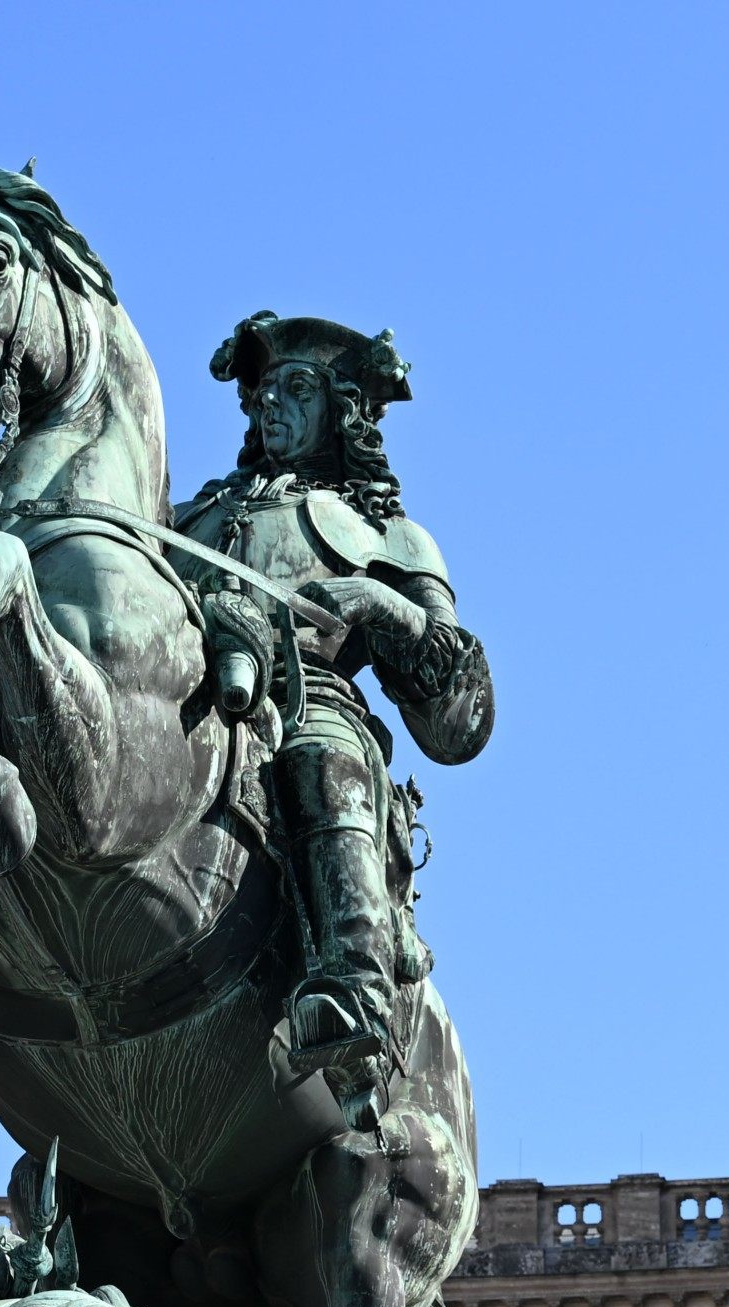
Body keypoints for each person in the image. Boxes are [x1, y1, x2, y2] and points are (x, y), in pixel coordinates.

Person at [176, 316, 492, 1121]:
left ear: (344, 411)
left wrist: (380, 603)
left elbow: (460, 724)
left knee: (324, 759)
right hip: (177, 691)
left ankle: (356, 991)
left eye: (296, 389)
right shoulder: (185, 516)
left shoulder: (389, 536)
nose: (270, 406)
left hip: (308, 700)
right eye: (263, 392)